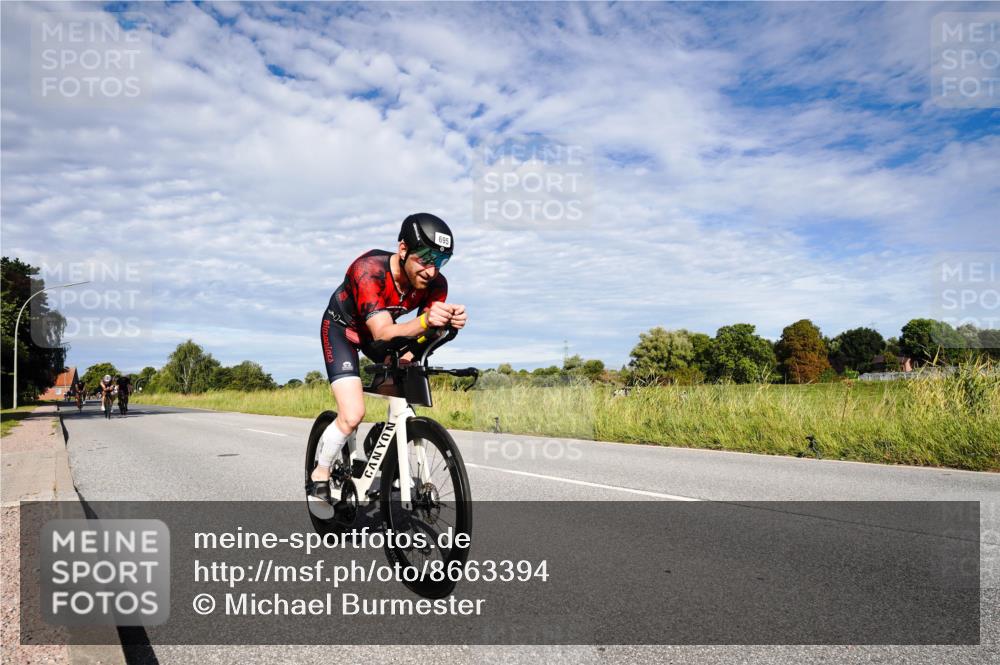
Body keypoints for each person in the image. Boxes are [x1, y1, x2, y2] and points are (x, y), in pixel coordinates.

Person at [310, 213, 467, 499]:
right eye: (425, 259)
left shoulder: (436, 284)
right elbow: (383, 331)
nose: (432, 271)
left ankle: (381, 440)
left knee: (406, 375)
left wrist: (445, 325)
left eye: (440, 262)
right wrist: (425, 322)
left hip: (383, 332)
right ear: (403, 249)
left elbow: (421, 334)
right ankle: (320, 473)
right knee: (352, 413)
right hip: (343, 331)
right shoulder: (367, 270)